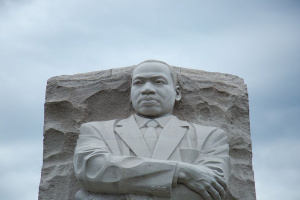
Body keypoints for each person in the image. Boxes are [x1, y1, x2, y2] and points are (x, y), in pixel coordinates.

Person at [73, 60, 230, 200]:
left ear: (177, 93)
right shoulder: (96, 130)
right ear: (130, 94)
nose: (147, 89)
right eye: (139, 83)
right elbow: (92, 171)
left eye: (159, 82)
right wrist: (182, 172)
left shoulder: (210, 136)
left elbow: (209, 191)